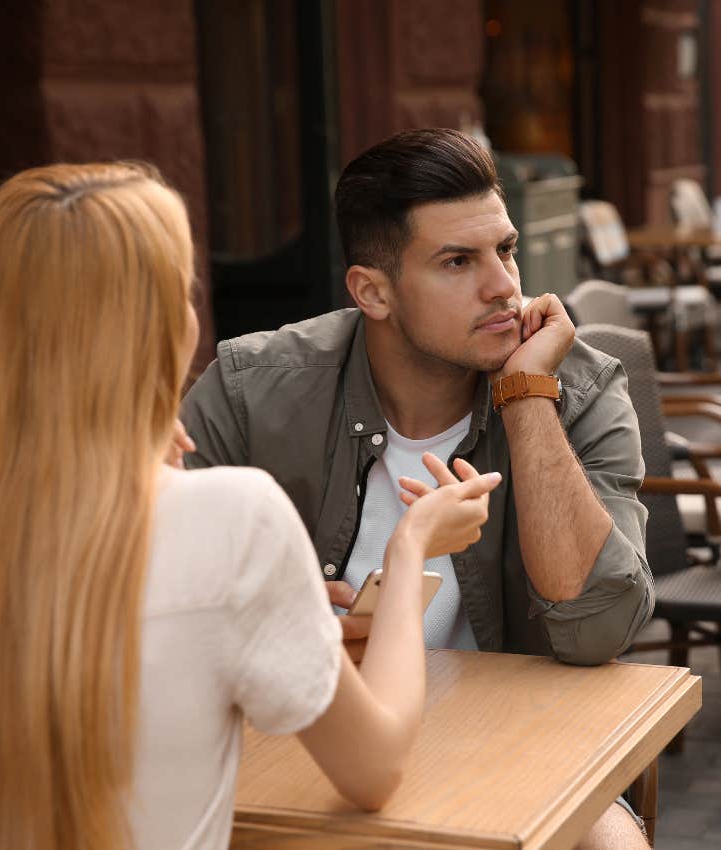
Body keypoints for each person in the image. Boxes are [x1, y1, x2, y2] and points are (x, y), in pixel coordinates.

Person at [0, 162, 502, 850]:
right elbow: (375, 767)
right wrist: (410, 551)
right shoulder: (232, 520)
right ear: (159, 327)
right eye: (184, 292)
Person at [181, 129, 653, 848]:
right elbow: (148, 593)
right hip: (309, 745)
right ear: (372, 291)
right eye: (458, 261)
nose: (503, 285)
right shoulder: (252, 391)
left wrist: (526, 395)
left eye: (507, 249)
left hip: (518, 747)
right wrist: (281, 622)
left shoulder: (578, 388)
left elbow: (598, 631)